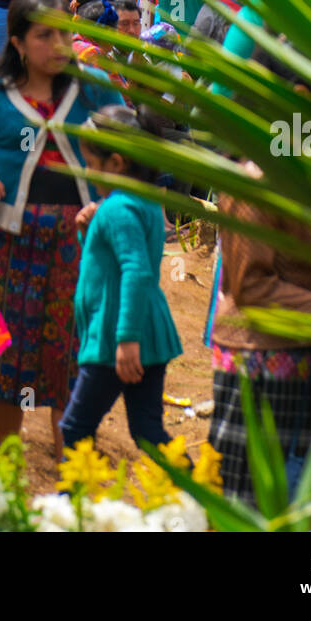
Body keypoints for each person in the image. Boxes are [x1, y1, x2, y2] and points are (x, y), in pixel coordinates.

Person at [0, 0, 122, 454]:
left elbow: (132, 147)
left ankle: (71, 480)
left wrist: (111, 200)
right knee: (6, 360)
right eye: (44, 36)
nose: (58, 45)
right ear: (16, 42)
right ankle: (6, 475)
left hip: (79, 244)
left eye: (64, 34)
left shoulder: (94, 87)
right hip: (8, 242)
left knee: (73, 357)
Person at [208, 166, 311, 504]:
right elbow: (253, 289)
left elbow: (304, 279)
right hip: (262, 363)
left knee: (301, 496)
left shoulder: (306, 178)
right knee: (249, 500)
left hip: (308, 362)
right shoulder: (255, 183)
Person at [59, 106, 183, 450]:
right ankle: (194, 494)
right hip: (147, 335)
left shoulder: (117, 210)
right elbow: (116, 261)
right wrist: (89, 232)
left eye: (92, 163)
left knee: (73, 430)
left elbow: (136, 270)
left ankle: (73, 503)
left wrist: (126, 339)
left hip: (115, 340)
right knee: (148, 432)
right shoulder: (140, 202)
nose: (87, 171)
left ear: (116, 164)